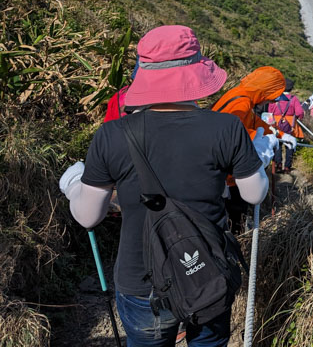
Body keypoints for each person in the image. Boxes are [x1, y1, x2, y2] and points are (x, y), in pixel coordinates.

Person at [58, 25, 272, 347]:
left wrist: (74, 182)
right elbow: (254, 193)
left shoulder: (112, 135)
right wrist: (259, 162)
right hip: (207, 270)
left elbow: (88, 216)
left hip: (142, 283)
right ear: (196, 73)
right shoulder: (225, 128)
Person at [212, 66, 286, 228]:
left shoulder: (242, 96)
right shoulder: (242, 102)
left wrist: (279, 134)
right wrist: (261, 142)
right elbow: (231, 135)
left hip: (226, 175)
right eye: (272, 96)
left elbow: (254, 123)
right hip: (228, 178)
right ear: (264, 92)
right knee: (233, 221)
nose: (272, 101)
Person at [266, 77, 304, 173]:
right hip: (290, 123)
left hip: (276, 123)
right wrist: (297, 118)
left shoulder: (275, 97)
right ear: (291, 88)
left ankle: (278, 164)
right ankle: (287, 167)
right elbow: (300, 112)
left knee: (277, 143)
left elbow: (269, 112)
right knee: (290, 144)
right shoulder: (293, 99)